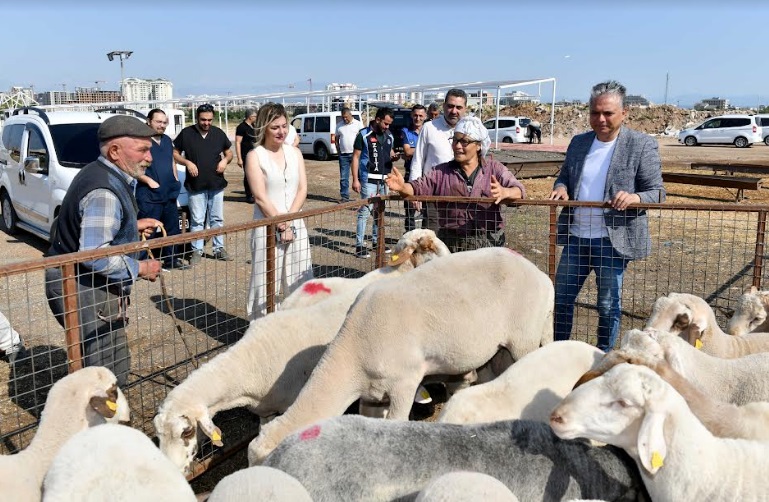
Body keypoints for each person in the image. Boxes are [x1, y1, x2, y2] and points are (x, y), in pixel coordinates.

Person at [45, 115, 163, 386]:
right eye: (143, 150)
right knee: (102, 369)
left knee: (107, 358)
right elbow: (96, 255)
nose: (149, 158)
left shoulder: (101, 173)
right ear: (114, 151)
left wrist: (131, 226)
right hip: (83, 285)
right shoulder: (104, 189)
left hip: (83, 282)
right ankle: (99, 424)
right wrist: (141, 268)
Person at [548, 80, 665, 352]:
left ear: (624, 113)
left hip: (611, 241)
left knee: (607, 305)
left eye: (608, 113)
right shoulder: (578, 143)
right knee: (562, 300)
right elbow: (565, 176)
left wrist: (635, 198)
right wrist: (561, 187)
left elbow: (657, 192)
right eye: (595, 113)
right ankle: (558, 353)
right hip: (577, 237)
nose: (600, 119)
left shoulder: (641, 145)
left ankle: (603, 358)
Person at [386, 115, 525, 252]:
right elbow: (417, 188)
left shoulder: (494, 169)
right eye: (455, 140)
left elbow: (519, 191)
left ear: (478, 145)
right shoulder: (441, 172)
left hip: (489, 242)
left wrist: (505, 192)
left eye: (464, 141)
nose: (457, 146)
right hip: (452, 243)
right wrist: (402, 187)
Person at [245, 103, 313, 320]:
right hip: (266, 227)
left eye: (284, 126)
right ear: (264, 127)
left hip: (296, 226)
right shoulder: (255, 156)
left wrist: (290, 222)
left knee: (300, 279)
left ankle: (300, 326)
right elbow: (260, 197)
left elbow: (302, 189)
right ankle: (260, 329)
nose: (281, 132)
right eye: (275, 127)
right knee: (265, 281)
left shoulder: (295, 153)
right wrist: (281, 224)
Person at [173, 104, 233, 265]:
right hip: (196, 185)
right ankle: (196, 251)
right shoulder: (187, 134)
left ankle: (218, 248)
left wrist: (225, 161)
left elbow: (229, 152)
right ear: (197, 118)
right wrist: (187, 163)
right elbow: (175, 153)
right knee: (197, 220)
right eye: (203, 120)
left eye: (209, 120)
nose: (206, 123)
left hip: (216, 183)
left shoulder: (218, 133)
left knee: (217, 219)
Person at [135, 109, 187, 271]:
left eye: (164, 122)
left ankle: (171, 260)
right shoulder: (141, 141)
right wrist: (149, 181)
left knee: (172, 229)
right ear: (149, 121)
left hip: (169, 193)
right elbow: (134, 167)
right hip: (150, 196)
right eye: (158, 122)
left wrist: (175, 178)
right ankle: (142, 264)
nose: (162, 125)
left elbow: (171, 159)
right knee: (147, 231)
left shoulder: (166, 140)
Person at [409, 89, 468, 232]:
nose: (454, 111)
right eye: (450, 106)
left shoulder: (470, 128)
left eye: (459, 107)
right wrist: (414, 192)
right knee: (432, 240)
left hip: (463, 195)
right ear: (444, 106)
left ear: (465, 108)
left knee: (459, 239)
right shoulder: (429, 127)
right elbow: (418, 160)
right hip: (433, 195)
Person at [351, 107, 398, 258]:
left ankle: (377, 242)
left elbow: (389, 153)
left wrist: (394, 157)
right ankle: (359, 246)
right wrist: (355, 179)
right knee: (365, 212)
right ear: (377, 119)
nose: (387, 127)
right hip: (368, 179)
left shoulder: (389, 135)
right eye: (385, 123)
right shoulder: (363, 135)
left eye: (389, 124)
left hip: (383, 180)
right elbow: (356, 158)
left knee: (380, 212)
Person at [400, 104, 427, 231]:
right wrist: (424, 150)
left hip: (427, 174)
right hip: (410, 173)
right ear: (411, 116)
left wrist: (413, 150)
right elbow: (407, 152)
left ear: (425, 116)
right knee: (410, 208)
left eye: (421, 116)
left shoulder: (428, 131)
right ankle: (409, 234)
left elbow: (411, 151)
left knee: (427, 208)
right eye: (415, 115)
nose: (418, 118)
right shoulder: (406, 131)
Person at [335, 108, 364, 203]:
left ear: (350, 115)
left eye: (346, 117)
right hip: (343, 155)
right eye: (343, 118)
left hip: (356, 154)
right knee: (344, 177)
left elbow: (363, 138)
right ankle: (344, 197)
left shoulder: (358, 124)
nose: (345, 119)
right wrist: (338, 150)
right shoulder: (339, 126)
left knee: (360, 175)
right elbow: (336, 139)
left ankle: (364, 195)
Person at [235, 108, 258, 203]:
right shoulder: (241, 127)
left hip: (255, 155)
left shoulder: (253, 126)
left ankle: (255, 193)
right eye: (255, 116)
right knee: (248, 175)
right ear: (250, 117)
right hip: (246, 155)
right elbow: (237, 142)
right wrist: (239, 158)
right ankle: (248, 195)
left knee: (256, 174)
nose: (256, 118)